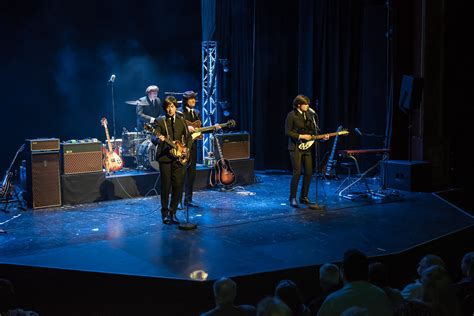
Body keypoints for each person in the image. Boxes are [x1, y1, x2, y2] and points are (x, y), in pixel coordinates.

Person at [152, 96, 192, 224]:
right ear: (165, 108)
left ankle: (173, 212)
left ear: (175, 107)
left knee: (178, 185)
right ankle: (164, 214)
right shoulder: (159, 121)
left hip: (179, 158)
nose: (170, 109)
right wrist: (159, 139)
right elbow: (154, 137)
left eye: (172, 106)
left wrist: (186, 149)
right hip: (165, 159)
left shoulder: (181, 120)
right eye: (168, 107)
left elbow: (189, 137)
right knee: (166, 187)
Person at [285, 94, 328, 208]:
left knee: (309, 172)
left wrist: (322, 137)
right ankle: (292, 197)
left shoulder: (310, 115)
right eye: (305, 104)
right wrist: (301, 136)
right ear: (299, 105)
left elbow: (313, 132)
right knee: (297, 172)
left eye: (308, 104)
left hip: (307, 147)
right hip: (295, 147)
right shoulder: (291, 115)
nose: (308, 106)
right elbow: (288, 132)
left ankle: (304, 197)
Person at [180, 90, 220, 207]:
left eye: (194, 98)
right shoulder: (179, 113)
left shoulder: (197, 112)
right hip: (181, 147)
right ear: (185, 101)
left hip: (193, 146)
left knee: (191, 174)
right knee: (180, 174)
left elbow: (200, 129)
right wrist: (187, 127)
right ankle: (177, 201)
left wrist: (213, 128)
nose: (193, 100)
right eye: (191, 98)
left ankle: (188, 200)